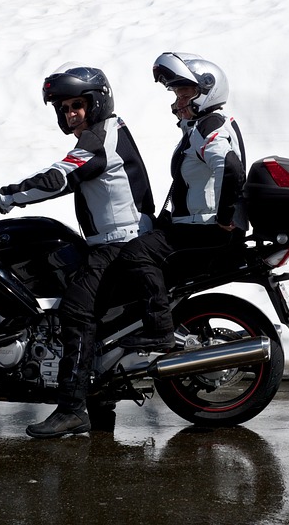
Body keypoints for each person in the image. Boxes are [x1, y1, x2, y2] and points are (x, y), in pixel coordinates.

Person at [0, 63, 154, 438]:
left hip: (119, 244)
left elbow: (59, 178)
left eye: (77, 105)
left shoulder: (98, 139)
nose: (71, 114)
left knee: (76, 312)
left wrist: (3, 197)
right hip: (117, 239)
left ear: (97, 102)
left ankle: (73, 408)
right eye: (64, 108)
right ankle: (99, 390)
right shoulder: (105, 132)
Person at [105, 52, 246, 351]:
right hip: (197, 223)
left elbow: (230, 167)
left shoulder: (210, 127)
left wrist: (225, 218)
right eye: (177, 92)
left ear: (207, 92)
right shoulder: (200, 128)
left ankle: (159, 330)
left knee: (135, 254)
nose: (179, 100)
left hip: (208, 228)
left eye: (186, 92)